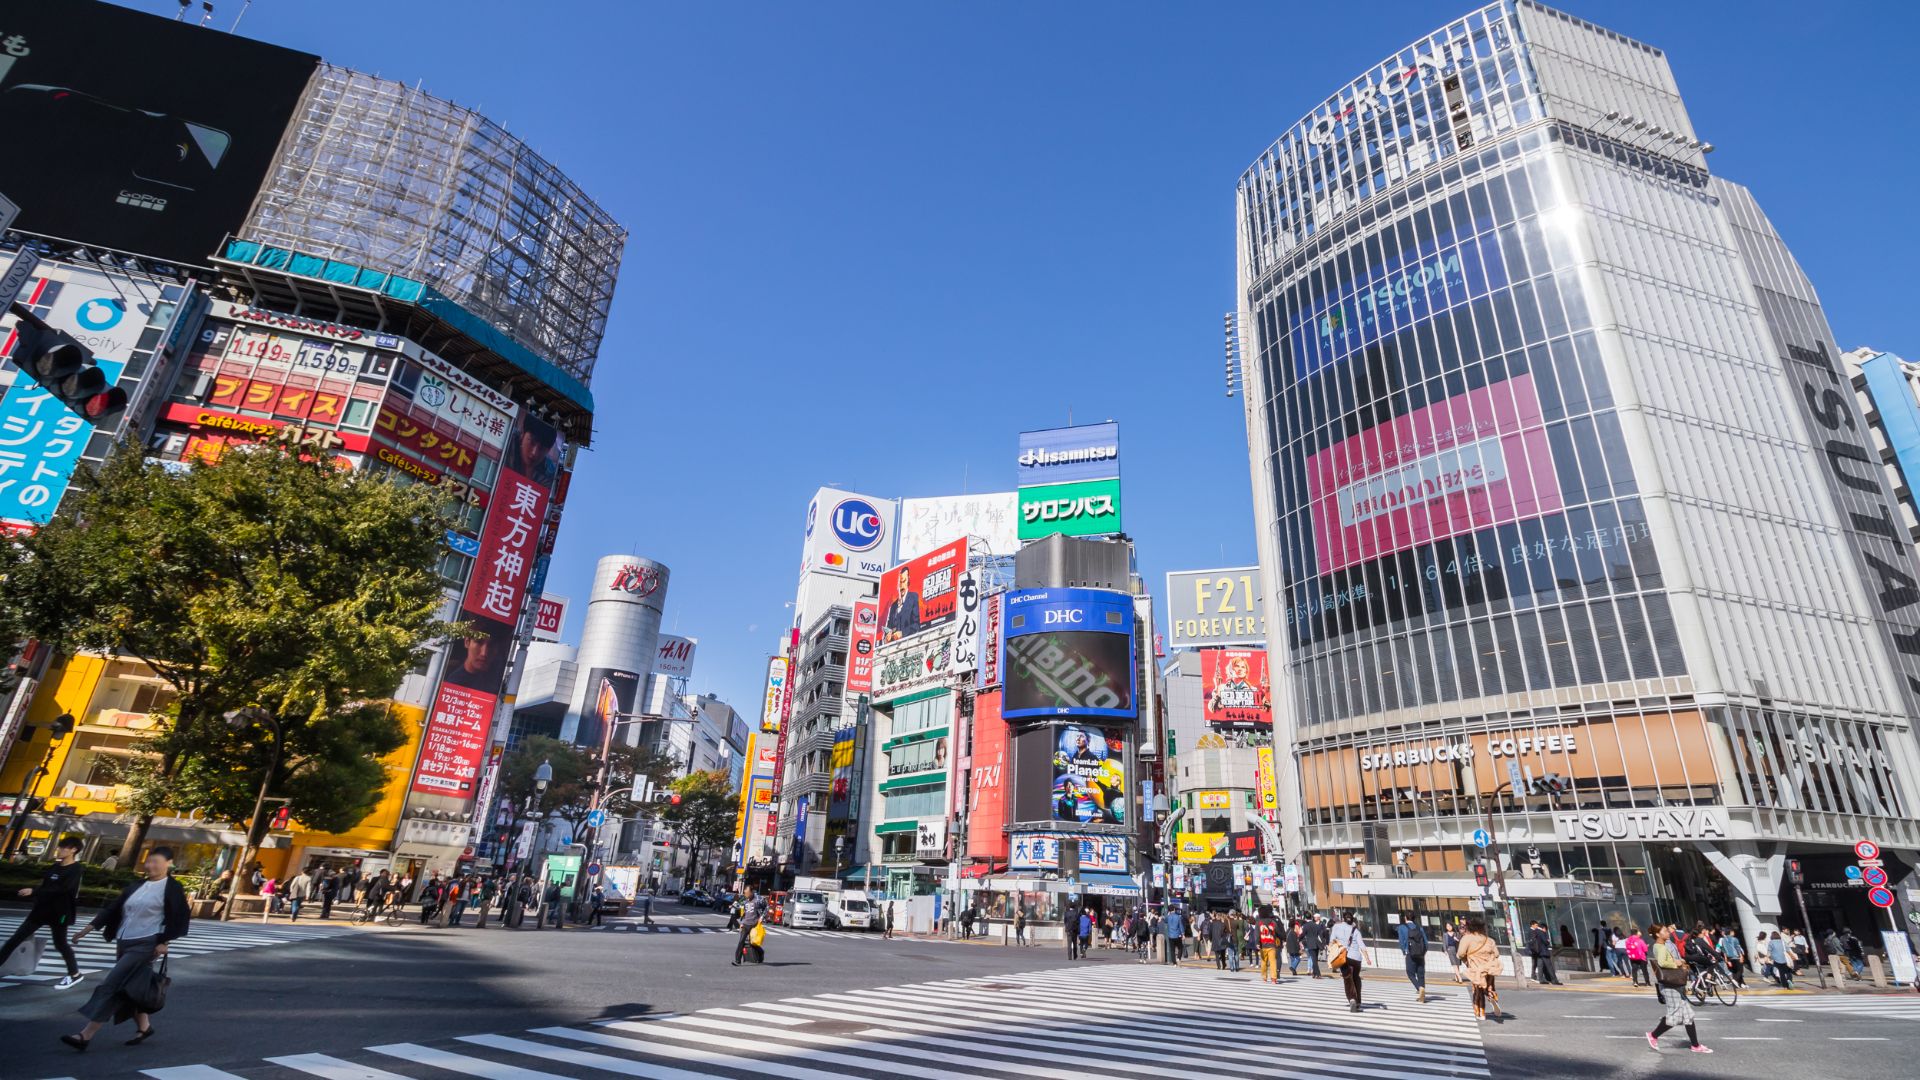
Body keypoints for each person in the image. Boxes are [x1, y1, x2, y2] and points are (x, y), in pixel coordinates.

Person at [62, 847, 192, 1051]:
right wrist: (88, 928)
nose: (151, 865)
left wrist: (164, 941)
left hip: (146, 943)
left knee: (113, 984)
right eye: (149, 861)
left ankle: (85, 1035)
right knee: (131, 986)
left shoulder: (173, 888)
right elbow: (114, 907)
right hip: (124, 940)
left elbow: (179, 917)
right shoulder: (137, 885)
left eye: (156, 861)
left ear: (169, 863)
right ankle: (144, 1027)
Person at [1, 834, 86, 989]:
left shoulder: (76, 869)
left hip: (59, 913)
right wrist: (35, 896)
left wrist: (34, 891)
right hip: (40, 911)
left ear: (73, 850)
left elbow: (63, 889)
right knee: (15, 939)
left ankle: (75, 974)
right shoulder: (55, 867)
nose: (59, 850)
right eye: (59, 847)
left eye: (63, 847)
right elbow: (47, 886)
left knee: (60, 944)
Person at [1648, 924, 1712, 1053]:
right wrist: (1676, 963)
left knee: (1688, 1016)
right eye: (1665, 931)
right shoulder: (1660, 947)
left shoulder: (1661, 946)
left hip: (1673, 985)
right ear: (1657, 934)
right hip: (1669, 986)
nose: (1668, 933)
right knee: (1674, 1017)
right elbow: (1662, 963)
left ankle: (1695, 1046)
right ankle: (1653, 1035)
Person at [1458, 917, 1503, 1021]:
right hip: (1489, 968)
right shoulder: (1489, 939)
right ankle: (1492, 995)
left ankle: (1480, 1013)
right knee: (1489, 986)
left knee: (1477, 990)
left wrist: (1467, 958)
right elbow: (1496, 954)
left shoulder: (1467, 938)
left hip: (1476, 969)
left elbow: (1460, 954)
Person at [1328, 910, 1366, 1013]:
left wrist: (1331, 952)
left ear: (1343, 918)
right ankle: (1358, 1002)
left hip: (1343, 956)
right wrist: (1367, 958)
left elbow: (1331, 941)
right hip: (1356, 958)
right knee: (1356, 977)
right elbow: (1361, 945)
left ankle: (1352, 999)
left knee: (1347, 978)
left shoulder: (1336, 927)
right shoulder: (1356, 930)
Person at [1398, 913, 1430, 1003]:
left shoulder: (1402, 928)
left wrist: (1404, 951)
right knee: (1421, 974)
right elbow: (1426, 943)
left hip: (1410, 953)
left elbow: (1401, 941)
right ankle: (1422, 993)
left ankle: (1419, 988)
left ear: (1405, 918)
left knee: (1410, 973)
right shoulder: (1419, 927)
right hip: (1420, 954)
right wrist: (1423, 952)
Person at [731, 889, 766, 966]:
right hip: (746, 924)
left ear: (751, 892)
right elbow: (743, 912)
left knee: (753, 943)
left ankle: (761, 953)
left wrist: (762, 917)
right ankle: (738, 961)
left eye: (746, 893)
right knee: (741, 941)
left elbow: (767, 907)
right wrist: (742, 922)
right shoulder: (745, 900)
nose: (745, 895)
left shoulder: (759, 899)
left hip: (754, 924)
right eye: (744, 893)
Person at [1527, 920, 1560, 985]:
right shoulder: (1541, 932)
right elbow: (1545, 942)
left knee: (1540, 966)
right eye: (1546, 930)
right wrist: (1548, 941)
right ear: (1544, 928)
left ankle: (1541, 980)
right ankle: (1554, 980)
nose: (1546, 931)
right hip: (1544, 952)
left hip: (1538, 952)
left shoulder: (1535, 931)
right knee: (1549, 966)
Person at [1257, 907, 1281, 983]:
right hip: (1272, 944)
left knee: (1264, 962)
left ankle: (1264, 977)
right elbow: (1278, 932)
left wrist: (1257, 943)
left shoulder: (1259, 922)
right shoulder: (1272, 922)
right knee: (1273, 962)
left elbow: (1257, 934)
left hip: (1262, 945)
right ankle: (1274, 978)